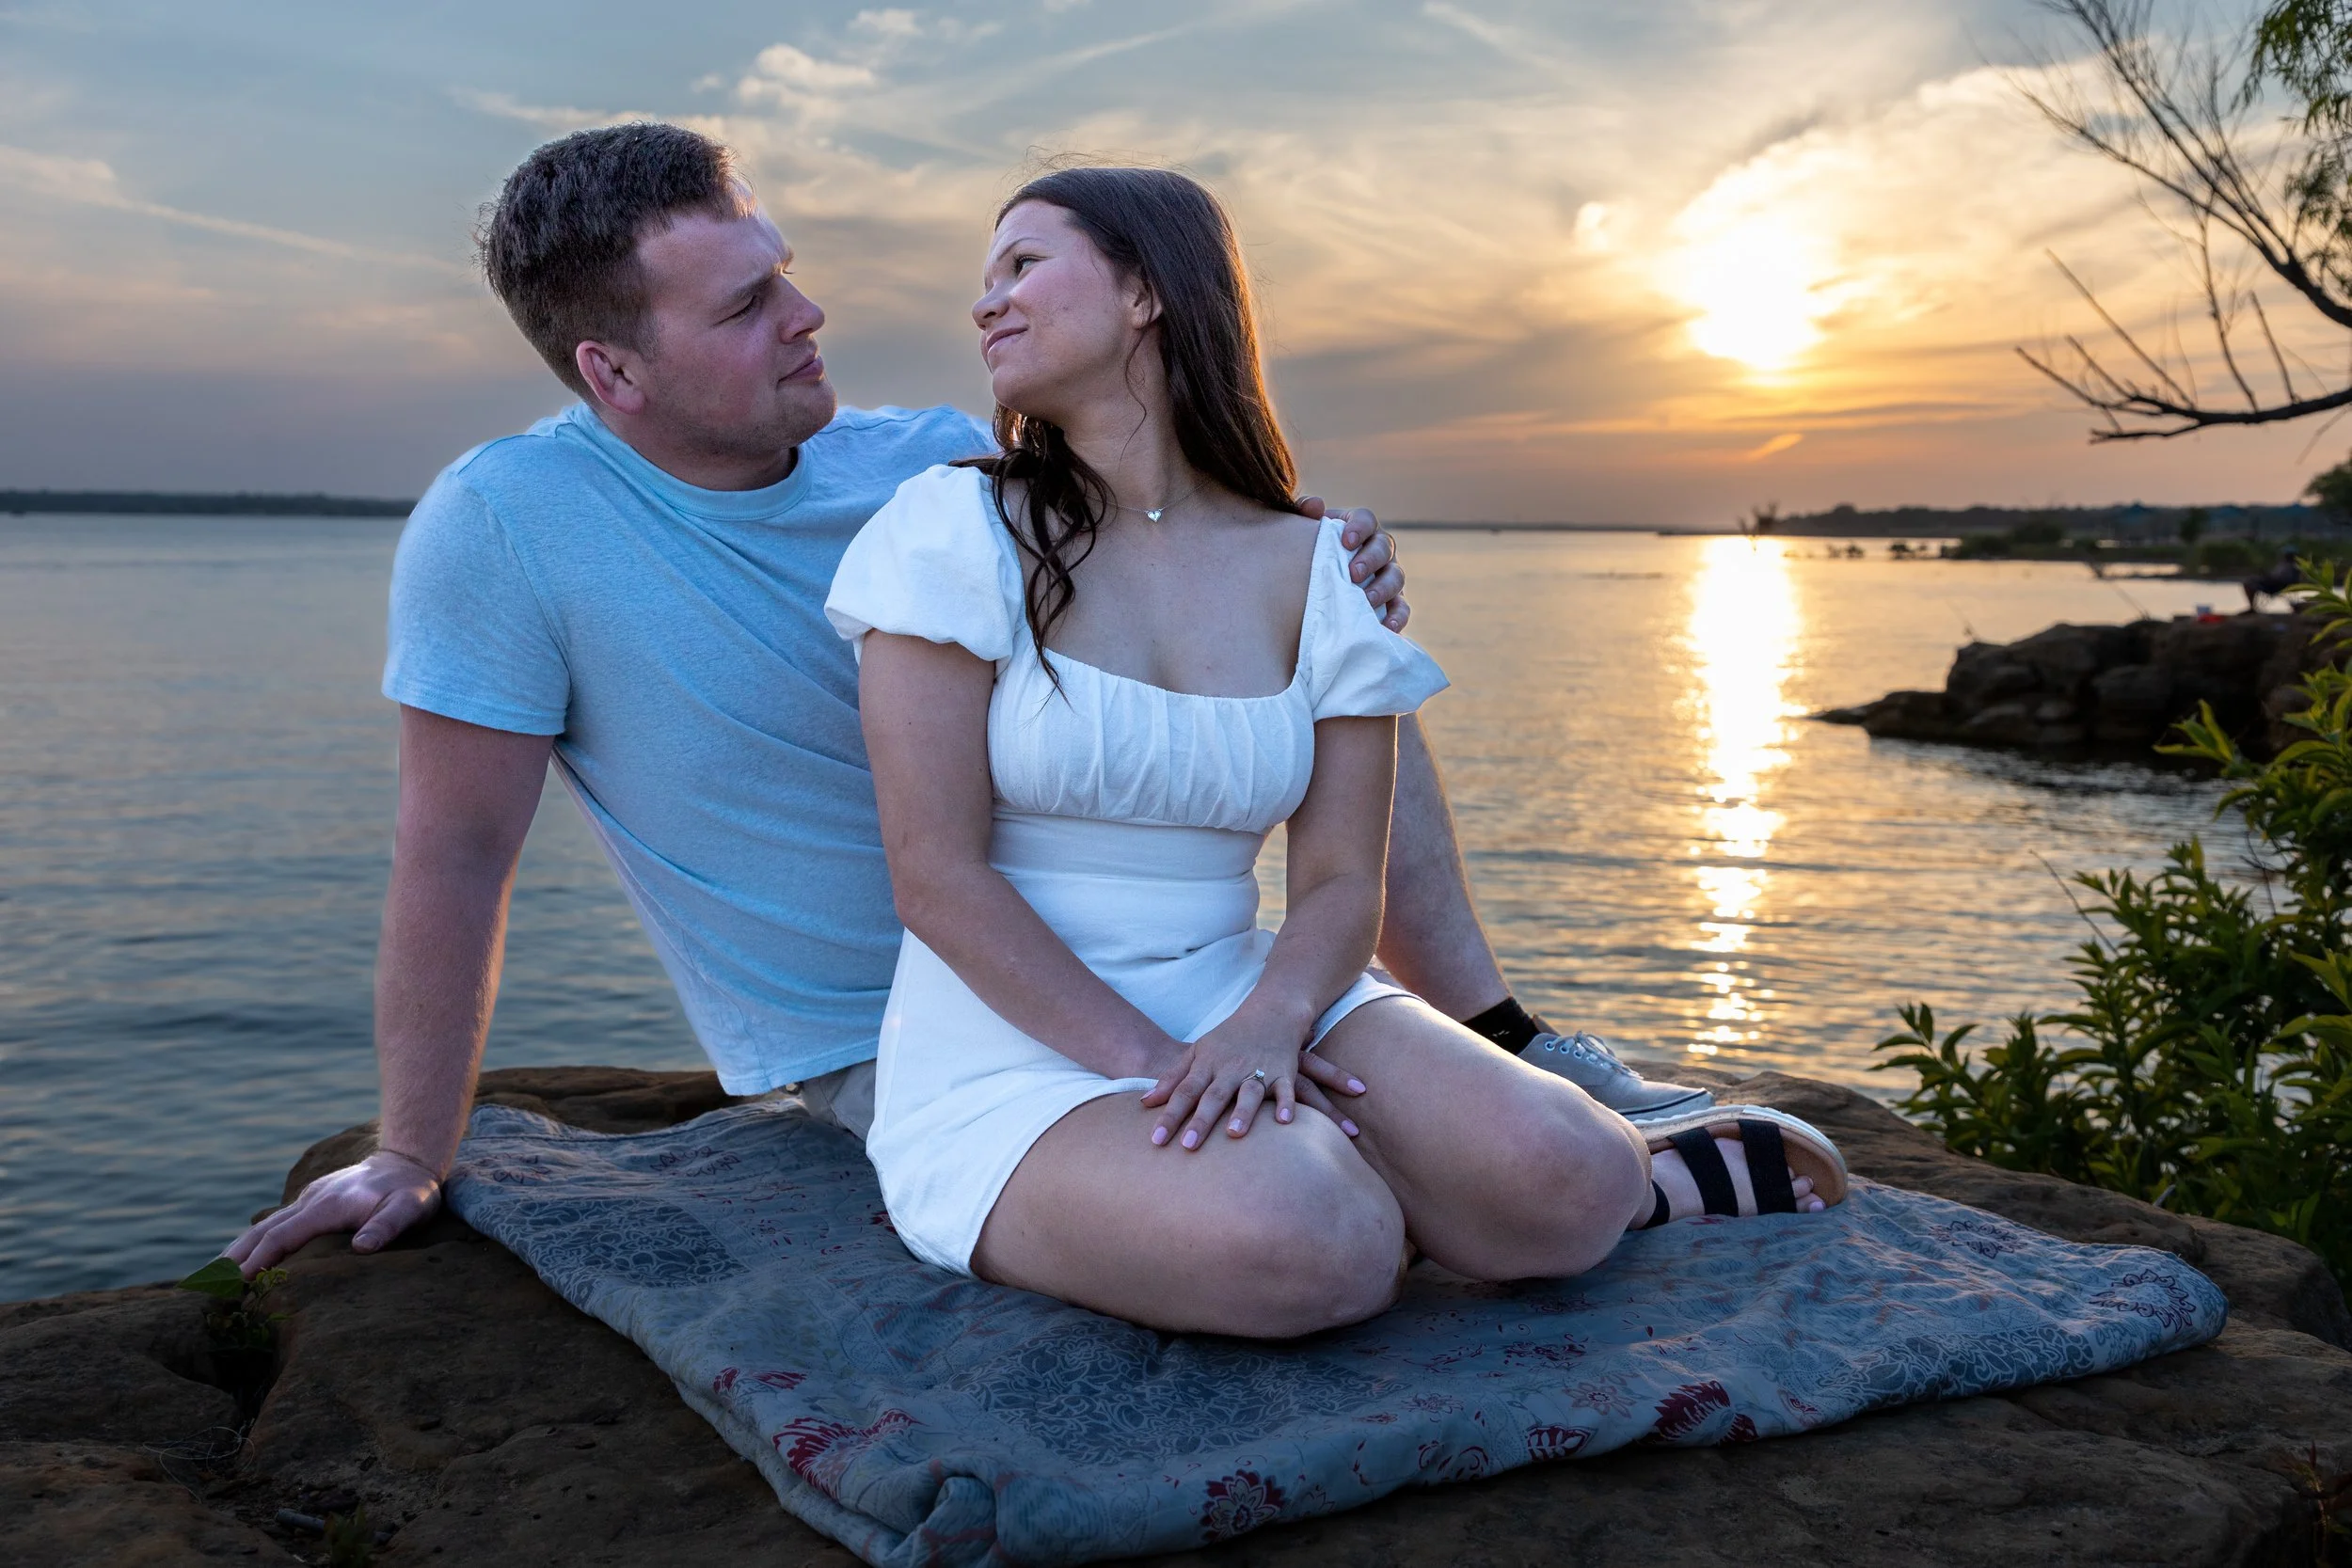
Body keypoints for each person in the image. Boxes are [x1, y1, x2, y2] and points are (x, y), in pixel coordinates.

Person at [226, 123, 1708, 1279]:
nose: (808, 313)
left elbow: (1190, 589)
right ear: (614, 369)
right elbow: (454, 856)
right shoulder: (507, 526)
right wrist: (414, 1150)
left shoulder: (931, 457)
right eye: (749, 305)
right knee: (1302, 1226)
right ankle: (1382, 1160)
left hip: (1171, 954)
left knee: (1341, 653)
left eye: (785, 266)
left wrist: (1311, 554)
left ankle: (1493, 1033)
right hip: (889, 1025)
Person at [827, 166, 1846, 1338]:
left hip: (1246, 990)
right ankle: (1373, 1192)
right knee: (1317, 1243)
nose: (985, 304)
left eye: (1021, 264)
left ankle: (1628, 1184)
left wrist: (1264, 1024)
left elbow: (1337, 885)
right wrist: (1169, 1063)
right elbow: (935, 875)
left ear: (1147, 291)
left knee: (1570, 1175)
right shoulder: (950, 529)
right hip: (1010, 1037)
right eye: (985, 278)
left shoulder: (1321, 567)